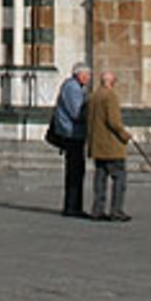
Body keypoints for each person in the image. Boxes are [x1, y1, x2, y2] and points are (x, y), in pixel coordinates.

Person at [87, 70, 132, 222]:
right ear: (112, 83)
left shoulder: (94, 96)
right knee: (119, 178)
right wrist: (125, 135)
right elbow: (114, 121)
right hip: (111, 146)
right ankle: (116, 211)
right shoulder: (110, 96)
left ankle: (97, 210)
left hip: (97, 145)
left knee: (100, 179)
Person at [54, 62, 92, 216]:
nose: (89, 78)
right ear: (79, 75)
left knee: (77, 170)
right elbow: (76, 112)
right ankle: (71, 206)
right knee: (75, 170)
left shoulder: (75, 88)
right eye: (87, 75)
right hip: (72, 134)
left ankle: (75, 205)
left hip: (75, 134)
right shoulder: (72, 88)